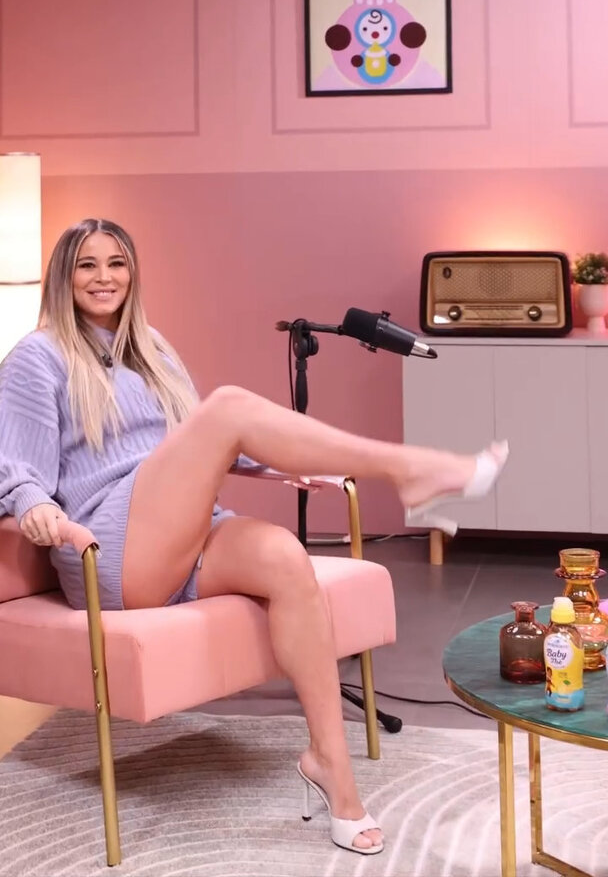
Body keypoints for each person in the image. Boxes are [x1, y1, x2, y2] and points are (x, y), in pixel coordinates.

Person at [0, 217, 509, 856]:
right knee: (231, 405)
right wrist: (35, 508)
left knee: (283, 557)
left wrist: (276, 467)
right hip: (110, 547)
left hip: (182, 536)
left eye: (117, 263)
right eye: (87, 265)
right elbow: (17, 467)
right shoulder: (37, 357)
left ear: (133, 273)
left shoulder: (150, 348)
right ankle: (411, 468)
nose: (105, 278)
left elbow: (194, 444)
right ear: (63, 276)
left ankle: (331, 767)